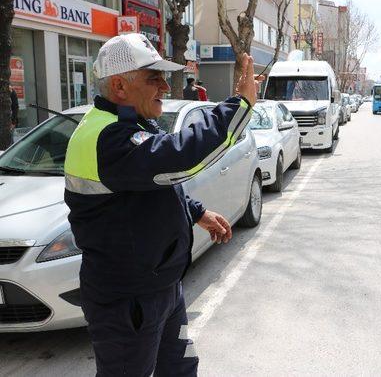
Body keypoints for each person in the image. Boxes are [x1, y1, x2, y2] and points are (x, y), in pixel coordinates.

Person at [63, 33, 261, 376]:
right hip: (130, 299)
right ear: (120, 87)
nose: (165, 87)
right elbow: (179, 157)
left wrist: (196, 212)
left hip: (164, 287)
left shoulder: (132, 123)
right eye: (153, 78)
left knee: (182, 368)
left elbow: (155, 182)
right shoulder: (107, 137)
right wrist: (239, 106)